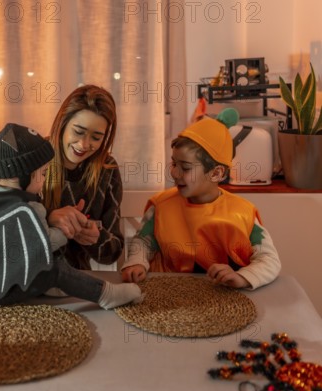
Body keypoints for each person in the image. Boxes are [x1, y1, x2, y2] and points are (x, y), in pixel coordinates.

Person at [0, 123, 142, 308]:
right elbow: (44, 244)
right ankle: (106, 295)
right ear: (18, 176)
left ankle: (51, 286)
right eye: (43, 174)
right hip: (4, 291)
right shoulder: (26, 209)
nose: (45, 181)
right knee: (55, 269)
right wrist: (66, 231)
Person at [119, 110, 281, 289]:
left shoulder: (243, 214)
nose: (173, 172)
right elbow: (143, 241)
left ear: (216, 173)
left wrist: (243, 277)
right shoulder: (161, 207)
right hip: (168, 295)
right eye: (174, 163)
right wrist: (137, 262)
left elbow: (269, 260)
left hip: (221, 298)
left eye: (185, 168)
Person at [43, 85, 124, 270]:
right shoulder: (35, 157)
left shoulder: (107, 169)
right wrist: (49, 218)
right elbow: (9, 228)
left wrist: (97, 238)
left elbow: (113, 252)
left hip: (79, 282)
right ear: (62, 124)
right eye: (78, 132)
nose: (83, 144)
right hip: (33, 279)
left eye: (96, 137)